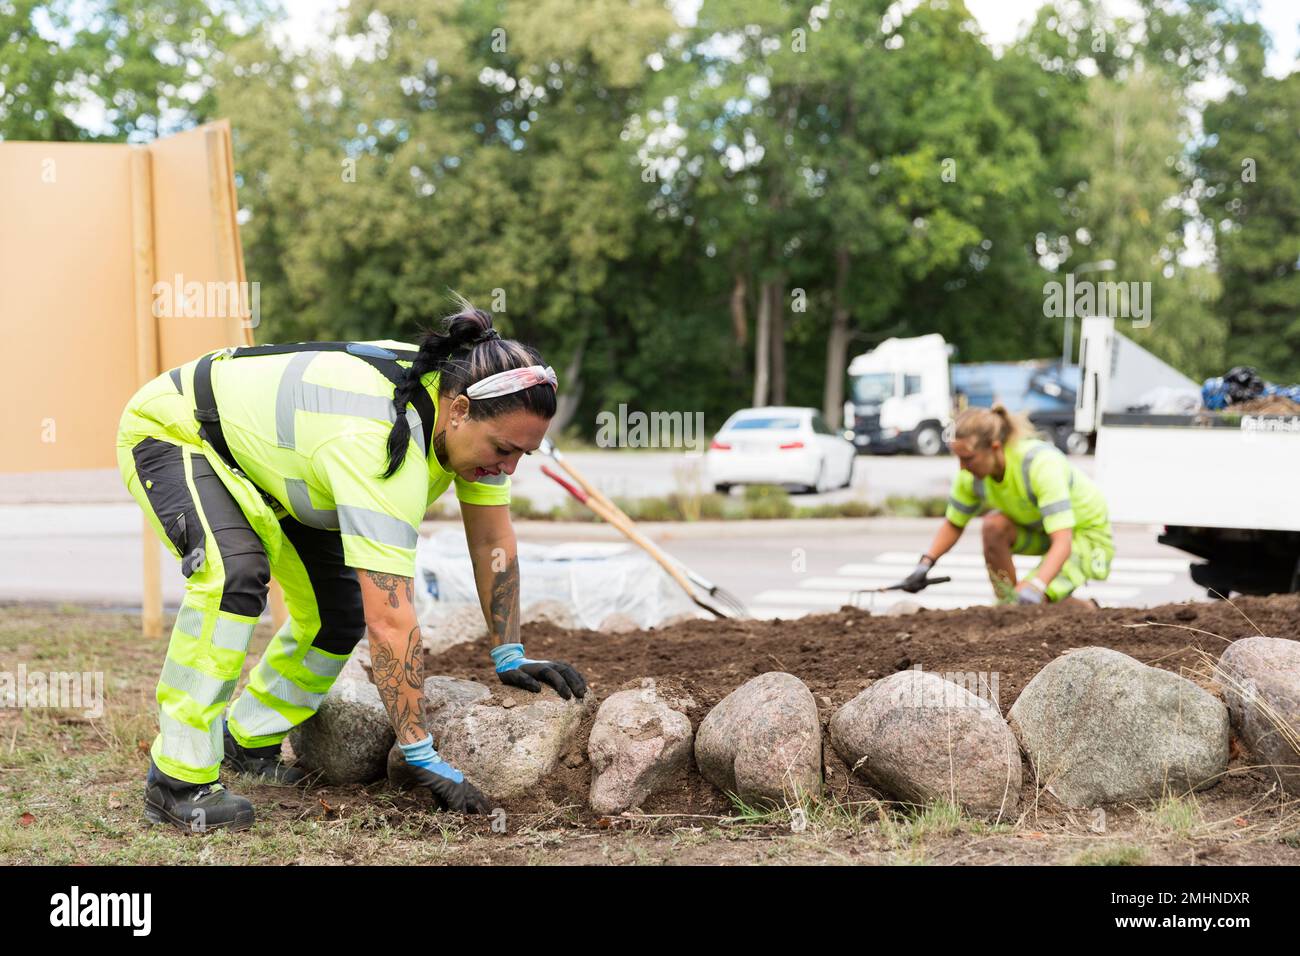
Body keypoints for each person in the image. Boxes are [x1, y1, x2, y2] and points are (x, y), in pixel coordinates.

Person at [116, 297, 586, 832]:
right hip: (180, 429)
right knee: (233, 577)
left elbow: (492, 542)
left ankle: (248, 740)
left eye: (523, 455)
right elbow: (390, 619)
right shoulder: (381, 446)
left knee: (335, 615)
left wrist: (508, 651)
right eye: (505, 450)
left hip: (281, 465)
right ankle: (176, 781)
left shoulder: (477, 414)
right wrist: (421, 753)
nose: (509, 467)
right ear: (458, 411)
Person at [901, 405, 1113, 607]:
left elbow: (1063, 540)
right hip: (1044, 532)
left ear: (994, 447)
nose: (962, 467)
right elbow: (954, 524)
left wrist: (1036, 588)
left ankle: (1082, 609)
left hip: (1084, 537)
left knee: (1030, 601)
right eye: (958, 458)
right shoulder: (972, 475)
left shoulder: (1039, 465)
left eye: (968, 458)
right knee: (993, 527)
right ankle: (1010, 605)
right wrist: (925, 564)